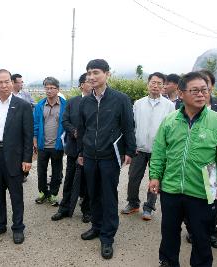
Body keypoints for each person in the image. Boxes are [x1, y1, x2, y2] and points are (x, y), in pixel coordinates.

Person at [149, 71, 217, 267]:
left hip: (203, 189)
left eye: (204, 90)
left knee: (201, 235)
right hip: (171, 188)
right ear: (181, 94)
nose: (201, 94)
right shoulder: (170, 121)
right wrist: (155, 176)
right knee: (169, 232)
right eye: (194, 90)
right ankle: (168, 262)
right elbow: (160, 151)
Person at [77, 59, 136, 260]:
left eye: (96, 72)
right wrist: (81, 153)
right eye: (88, 73)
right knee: (93, 193)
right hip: (90, 157)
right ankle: (96, 226)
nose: (91, 77)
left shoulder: (120, 99)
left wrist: (130, 150)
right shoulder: (85, 101)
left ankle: (107, 236)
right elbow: (82, 129)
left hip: (111, 156)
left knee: (108, 195)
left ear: (107, 74)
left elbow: (128, 126)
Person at [0, 69, 33, 244]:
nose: (4, 85)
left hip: (14, 157)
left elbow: (28, 134)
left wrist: (27, 158)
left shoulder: (23, 105)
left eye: (7, 81)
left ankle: (18, 228)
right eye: (0, 82)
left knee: (16, 195)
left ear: (12, 83)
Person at [182, 69, 217, 249]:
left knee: (213, 202)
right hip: (191, 164)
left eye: (206, 85)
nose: (202, 91)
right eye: (197, 87)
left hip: (212, 166)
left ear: (210, 87)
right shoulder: (184, 105)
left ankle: (211, 232)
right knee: (188, 199)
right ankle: (192, 229)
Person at [121, 72, 174, 220]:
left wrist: (167, 148)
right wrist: (131, 146)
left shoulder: (169, 106)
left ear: (163, 86)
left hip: (159, 151)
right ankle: (133, 203)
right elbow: (132, 126)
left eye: (159, 83)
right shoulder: (138, 103)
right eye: (153, 82)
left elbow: (171, 129)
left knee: (155, 180)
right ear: (148, 84)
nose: (155, 86)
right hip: (139, 149)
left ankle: (149, 207)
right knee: (133, 178)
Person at [51, 73, 92, 222]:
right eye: (88, 81)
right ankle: (64, 208)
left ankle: (87, 210)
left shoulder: (97, 102)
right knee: (69, 179)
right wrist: (74, 131)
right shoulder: (72, 102)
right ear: (82, 85)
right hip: (74, 147)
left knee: (88, 181)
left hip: (90, 149)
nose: (91, 83)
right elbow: (65, 120)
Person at [33, 76, 66, 206]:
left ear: (58, 89)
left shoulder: (65, 105)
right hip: (42, 144)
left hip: (57, 145)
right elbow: (35, 124)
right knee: (41, 171)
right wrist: (35, 140)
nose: (49, 90)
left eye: (52, 88)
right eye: (47, 88)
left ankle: (53, 194)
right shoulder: (40, 105)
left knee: (57, 172)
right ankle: (42, 193)